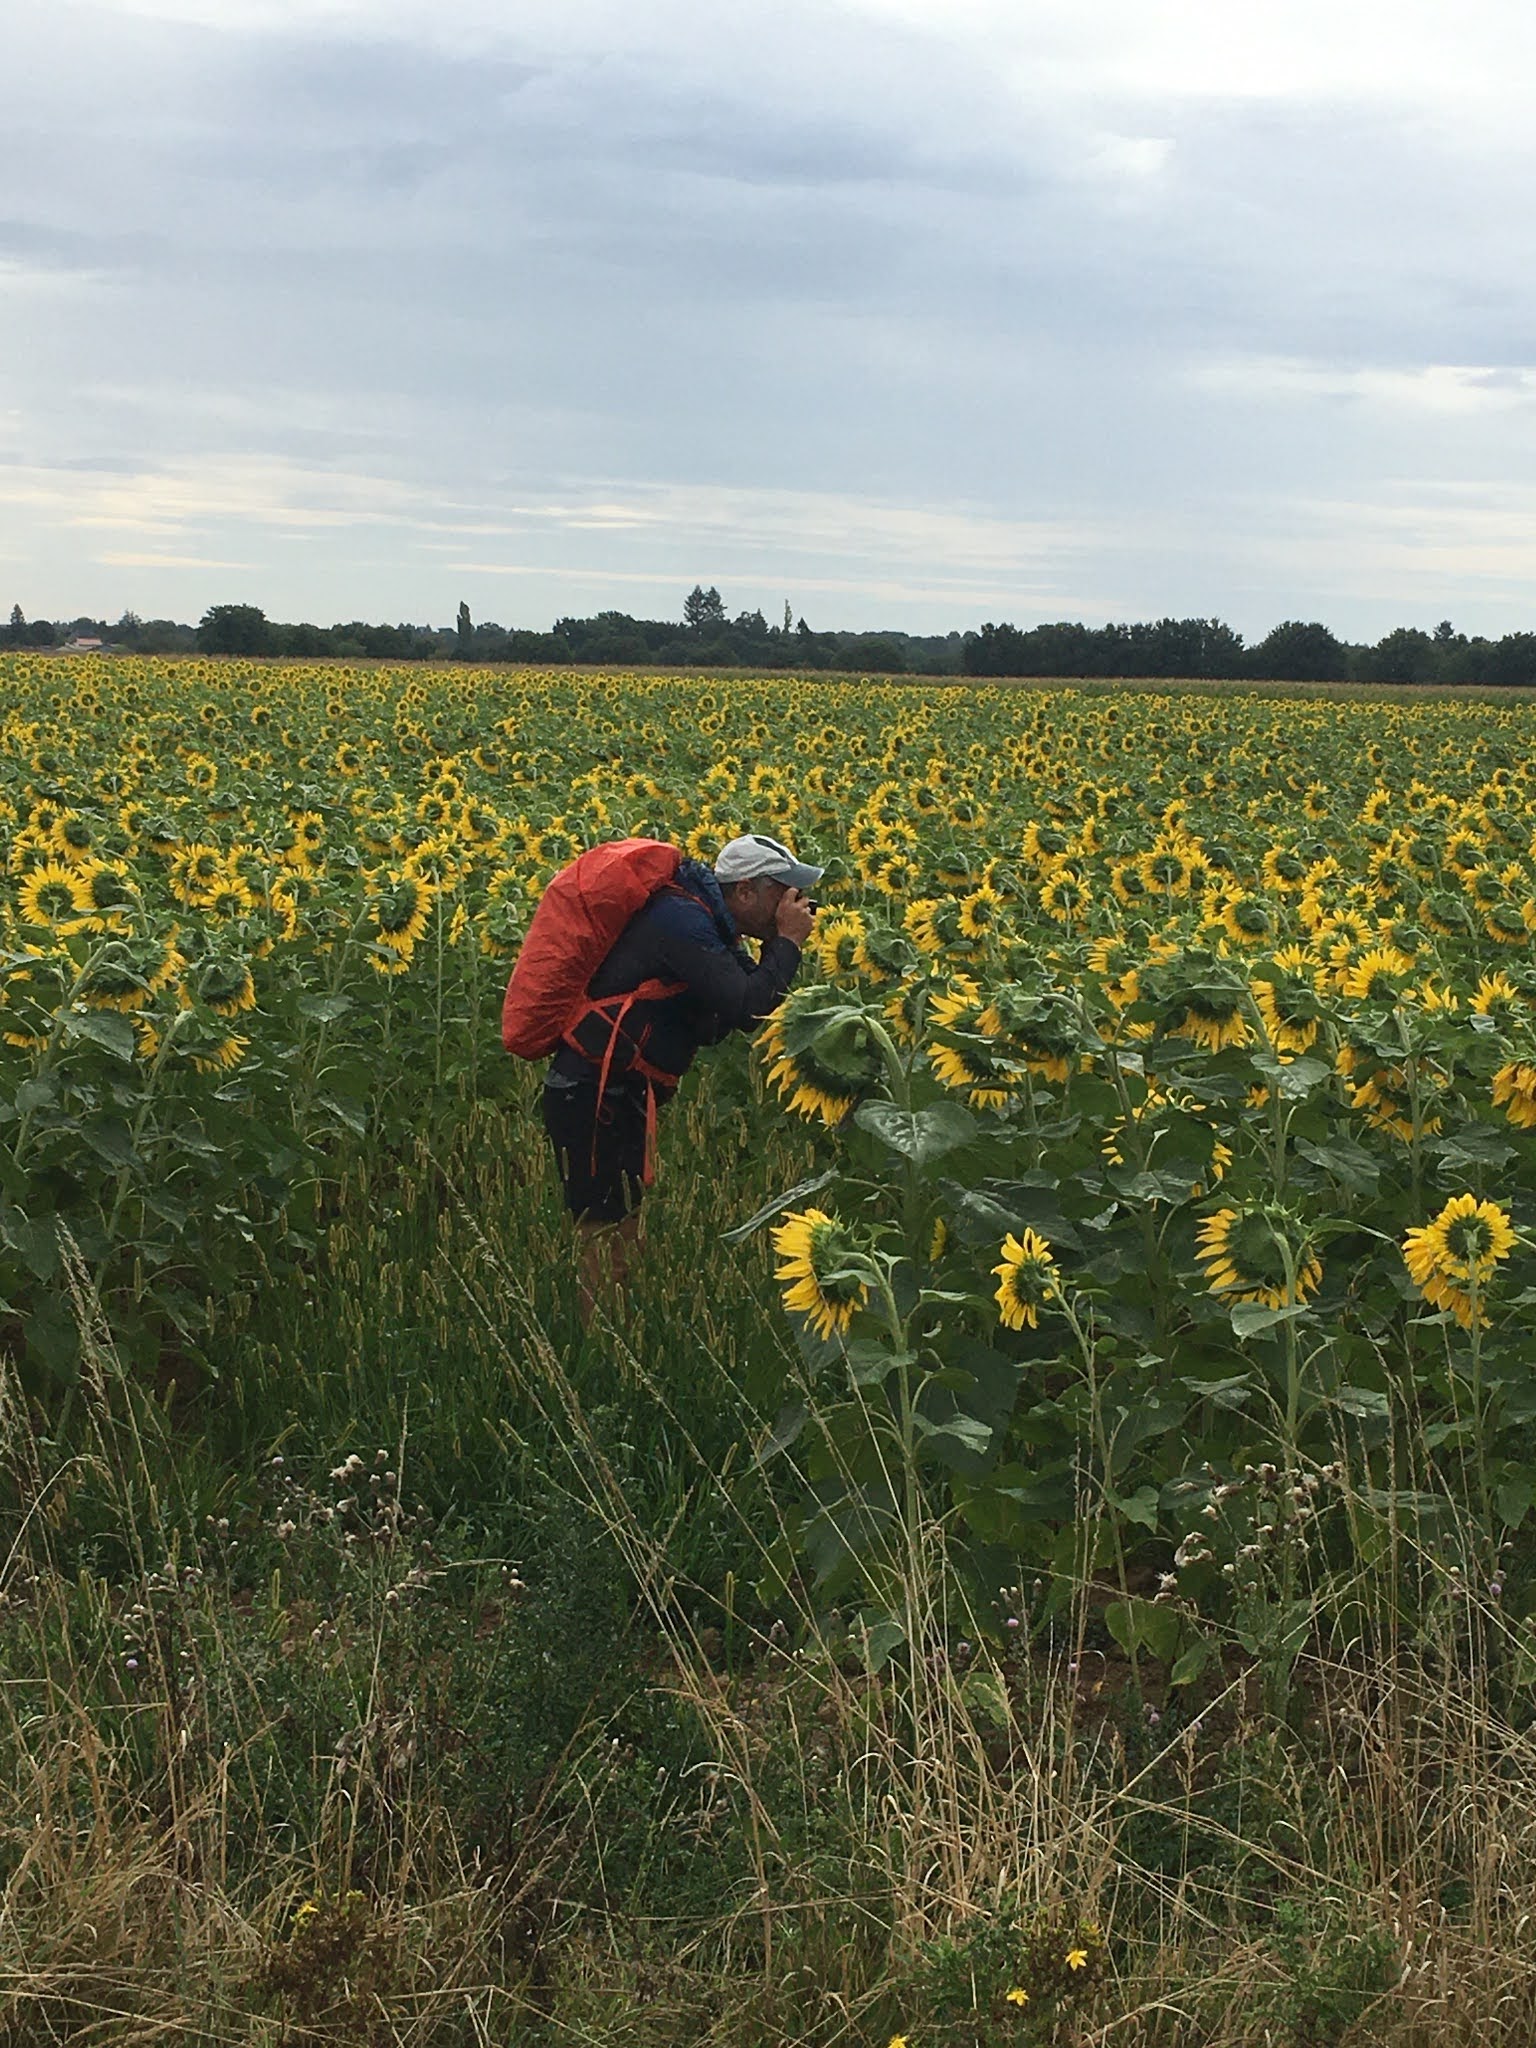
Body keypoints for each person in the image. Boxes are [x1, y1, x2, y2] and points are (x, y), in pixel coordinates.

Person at [541, 832, 821, 1318]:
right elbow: (749, 1006)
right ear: (745, 891)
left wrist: (778, 945)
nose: (793, 902)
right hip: (593, 1093)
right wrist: (789, 942)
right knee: (603, 1235)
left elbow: (747, 1001)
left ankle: (614, 1335)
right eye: (783, 891)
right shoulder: (683, 921)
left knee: (623, 1231)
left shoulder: (712, 925)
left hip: (616, 1093)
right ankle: (597, 1344)